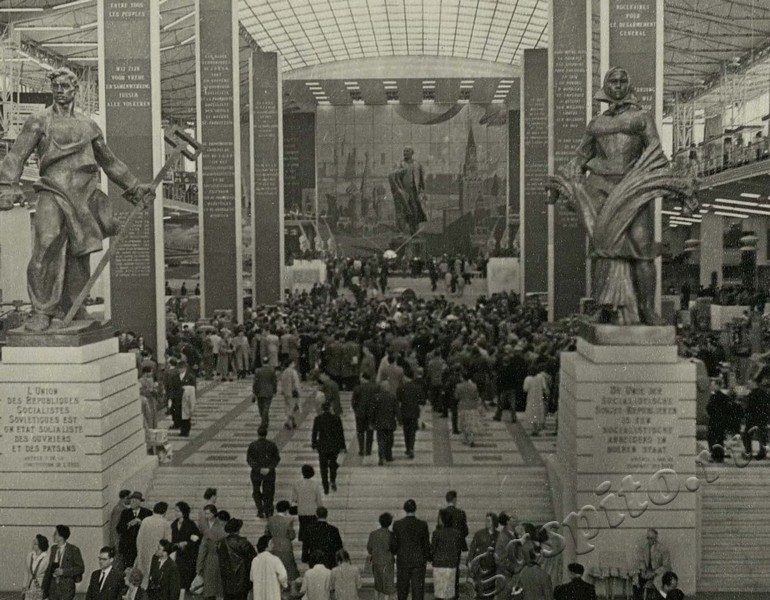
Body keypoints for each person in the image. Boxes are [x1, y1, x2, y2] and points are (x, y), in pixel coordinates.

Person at [0, 67, 155, 331]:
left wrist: (134, 186)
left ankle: (74, 304)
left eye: (65, 86)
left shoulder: (88, 125)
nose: (60, 91)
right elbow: (16, 155)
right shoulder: (38, 121)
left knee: (79, 252)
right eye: (56, 87)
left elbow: (110, 162)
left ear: (75, 89)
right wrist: (6, 184)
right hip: (52, 190)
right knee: (46, 244)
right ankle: (41, 311)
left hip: (84, 195)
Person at [549, 67, 694, 324]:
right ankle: (605, 307)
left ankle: (647, 309)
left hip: (632, 187)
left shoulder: (641, 118)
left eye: (622, 81)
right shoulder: (596, 124)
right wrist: (562, 181)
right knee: (602, 250)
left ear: (629, 85)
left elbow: (655, 152)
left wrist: (664, 183)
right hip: (600, 187)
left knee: (642, 249)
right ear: (605, 86)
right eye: (613, 81)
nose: (617, 85)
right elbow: (581, 157)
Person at [390, 499, 431, 600]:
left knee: (402, 591)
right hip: (419, 562)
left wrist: (395, 552)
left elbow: (394, 546)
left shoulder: (397, 524)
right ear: (415, 509)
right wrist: (428, 557)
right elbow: (426, 545)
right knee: (418, 592)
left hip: (403, 561)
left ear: (404, 509)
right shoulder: (423, 524)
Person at [388, 146, 427, 234]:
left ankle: (414, 231)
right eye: (404, 151)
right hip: (404, 192)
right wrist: (400, 171)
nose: (405, 153)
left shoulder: (417, 165)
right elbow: (392, 174)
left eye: (407, 151)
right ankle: (401, 232)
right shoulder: (400, 164)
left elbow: (421, 179)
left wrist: (423, 191)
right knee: (402, 211)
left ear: (412, 153)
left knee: (415, 211)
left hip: (414, 192)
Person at [311, 402, 346, 494]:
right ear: (330, 408)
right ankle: (332, 480)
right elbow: (340, 433)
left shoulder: (318, 419)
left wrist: (314, 444)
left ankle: (325, 486)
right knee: (333, 465)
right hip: (334, 446)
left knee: (323, 467)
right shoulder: (336, 418)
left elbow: (314, 433)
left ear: (322, 409)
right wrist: (343, 446)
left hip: (322, 446)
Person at [135, 503, 172, 588]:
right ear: (164, 512)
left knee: (143, 576)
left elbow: (139, 538)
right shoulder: (165, 523)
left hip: (144, 552)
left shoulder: (145, 520)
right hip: (157, 553)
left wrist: (139, 551)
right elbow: (167, 542)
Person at [217, 519, 257, 600]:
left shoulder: (222, 542)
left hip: (227, 578)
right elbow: (253, 556)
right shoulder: (243, 542)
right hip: (242, 577)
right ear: (238, 529)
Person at [247, 425, 281, 518]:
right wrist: (269, 468)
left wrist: (258, 469)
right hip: (269, 473)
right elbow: (276, 458)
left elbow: (249, 459)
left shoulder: (253, 445)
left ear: (257, 434)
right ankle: (268, 510)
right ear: (266, 434)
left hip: (256, 473)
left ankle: (260, 509)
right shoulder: (272, 445)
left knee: (256, 491)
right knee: (268, 492)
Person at [42, 525, 84, 600]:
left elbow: (80, 568)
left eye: (55, 534)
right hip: (53, 589)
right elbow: (49, 568)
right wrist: (44, 587)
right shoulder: (53, 549)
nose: (53, 535)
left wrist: (64, 572)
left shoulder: (73, 549)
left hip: (66, 590)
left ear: (61, 537)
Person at [196, 509, 229, 600]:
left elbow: (202, 551)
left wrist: (199, 567)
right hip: (224, 564)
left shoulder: (208, 532)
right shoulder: (228, 534)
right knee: (221, 592)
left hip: (210, 562)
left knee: (210, 591)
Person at [431, 509, 464, 600]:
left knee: (439, 593)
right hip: (451, 565)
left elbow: (432, 549)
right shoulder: (456, 533)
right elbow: (458, 549)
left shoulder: (436, 533)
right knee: (449, 593)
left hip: (439, 565)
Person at [265, 500, 299, 582]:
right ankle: (290, 586)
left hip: (274, 545)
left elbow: (267, 533)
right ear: (287, 510)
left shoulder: (270, 519)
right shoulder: (289, 520)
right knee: (289, 569)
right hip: (286, 546)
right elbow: (292, 536)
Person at [170, 501, 201, 594]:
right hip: (176, 555)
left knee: (185, 579)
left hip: (188, 556)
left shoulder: (190, 524)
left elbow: (197, 540)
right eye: (175, 510)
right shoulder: (174, 524)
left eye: (178, 511)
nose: (176, 513)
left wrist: (186, 543)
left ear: (183, 512)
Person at [633, 529, 671, 600]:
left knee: (657, 582)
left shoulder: (663, 549)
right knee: (635, 578)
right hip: (648, 572)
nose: (649, 540)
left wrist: (653, 573)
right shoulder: (644, 547)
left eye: (651, 538)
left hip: (660, 572)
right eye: (648, 538)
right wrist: (643, 571)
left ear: (656, 538)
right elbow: (642, 561)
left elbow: (666, 566)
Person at [117, 493, 152, 568]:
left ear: (139, 502)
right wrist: (129, 524)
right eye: (131, 501)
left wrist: (141, 523)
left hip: (141, 546)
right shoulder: (125, 513)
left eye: (134, 501)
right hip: (128, 548)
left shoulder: (147, 513)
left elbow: (151, 529)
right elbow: (119, 529)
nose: (132, 503)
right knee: (128, 568)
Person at [291, 464, 324, 543]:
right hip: (312, 511)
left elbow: (294, 499)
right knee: (313, 532)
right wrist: (321, 509)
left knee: (303, 529)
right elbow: (318, 500)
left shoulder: (297, 484)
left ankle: (304, 548)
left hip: (301, 511)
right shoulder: (315, 485)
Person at [367, 512, 395, 600]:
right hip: (388, 562)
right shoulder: (391, 535)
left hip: (376, 562)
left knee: (377, 584)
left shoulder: (373, 534)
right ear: (390, 522)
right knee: (387, 585)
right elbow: (394, 549)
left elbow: (369, 549)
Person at [250, 535, 288, 600]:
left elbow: (251, 578)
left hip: (259, 593)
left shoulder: (255, 560)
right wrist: (284, 585)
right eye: (271, 543)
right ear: (265, 545)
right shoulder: (275, 559)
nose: (273, 545)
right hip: (273, 593)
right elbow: (283, 575)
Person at [397, 373, 424, 459]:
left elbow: (398, 402)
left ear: (406, 377)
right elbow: (422, 402)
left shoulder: (401, 388)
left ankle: (407, 448)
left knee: (406, 431)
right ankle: (411, 447)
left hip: (404, 412)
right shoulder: (418, 388)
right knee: (412, 431)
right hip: (414, 412)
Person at [372, 381, 398, 466]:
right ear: (388, 388)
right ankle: (388, 456)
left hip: (379, 423)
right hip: (390, 423)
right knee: (390, 440)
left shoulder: (376, 397)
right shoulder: (393, 397)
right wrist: (400, 420)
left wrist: (371, 422)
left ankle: (381, 457)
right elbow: (397, 409)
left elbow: (372, 411)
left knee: (380, 441)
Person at [351, 372, 377, 456]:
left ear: (363, 378)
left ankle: (361, 450)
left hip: (360, 413)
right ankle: (368, 450)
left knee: (360, 432)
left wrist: (356, 410)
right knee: (370, 432)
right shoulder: (375, 387)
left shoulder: (357, 388)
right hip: (371, 413)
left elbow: (353, 402)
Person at [456, 370, 483, 447]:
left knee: (463, 423)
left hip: (463, 406)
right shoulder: (474, 386)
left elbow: (457, 396)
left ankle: (465, 438)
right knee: (472, 423)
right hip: (472, 407)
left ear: (462, 377)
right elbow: (476, 397)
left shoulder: (458, 386)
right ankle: (472, 440)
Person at [23, 534, 50, 600]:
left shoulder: (47, 558)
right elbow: (26, 572)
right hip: (29, 586)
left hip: (41, 587)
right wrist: (24, 585)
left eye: (35, 544)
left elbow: (48, 574)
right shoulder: (30, 556)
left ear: (41, 545)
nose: (33, 545)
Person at [280, 358, 302, 429]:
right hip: (293, 392)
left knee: (288, 407)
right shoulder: (293, 372)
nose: (294, 364)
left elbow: (282, 383)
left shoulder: (284, 372)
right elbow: (296, 383)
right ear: (290, 364)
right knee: (292, 408)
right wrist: (299, 391)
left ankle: (293, 421)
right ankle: (287, 422)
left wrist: (283, 390)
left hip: (286, 392)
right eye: (293, 363)